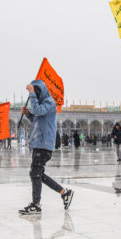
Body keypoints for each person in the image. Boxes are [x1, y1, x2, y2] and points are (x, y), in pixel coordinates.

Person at [19, 80, 74, 215]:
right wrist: (28, 114)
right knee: (37, 173)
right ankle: (64, 193)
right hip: (39, 143)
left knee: (35, 173)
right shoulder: (44, 104)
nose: (35, 96)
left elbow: (38, 110)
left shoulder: (49, 102)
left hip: (44, 145)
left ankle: (36, 204)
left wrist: (31, 93)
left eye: (37, 93)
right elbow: (37, 119)